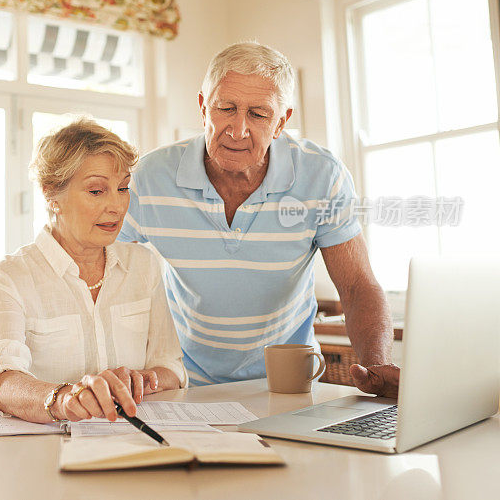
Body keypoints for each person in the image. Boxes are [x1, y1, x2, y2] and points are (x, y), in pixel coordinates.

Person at [118, 42, 400, 397]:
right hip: (185, 382)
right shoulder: (148, 177)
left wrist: (375, 366)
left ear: (281, 122)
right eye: (226, 108)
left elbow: (358, 285)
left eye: (258, 114)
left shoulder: (322, 176)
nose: (238, 129)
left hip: (289, 383)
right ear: (204, 107)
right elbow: (105, 273)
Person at [0, 118, 186, 424]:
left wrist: (143, 379)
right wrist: (64, 398)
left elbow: (171, 366)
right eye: (97, 191)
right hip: (45, 455)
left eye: (123, 188)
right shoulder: (7, 278)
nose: (116, 206)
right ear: (52, 196)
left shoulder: (144, 265)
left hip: (134, 442)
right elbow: (2, 381)